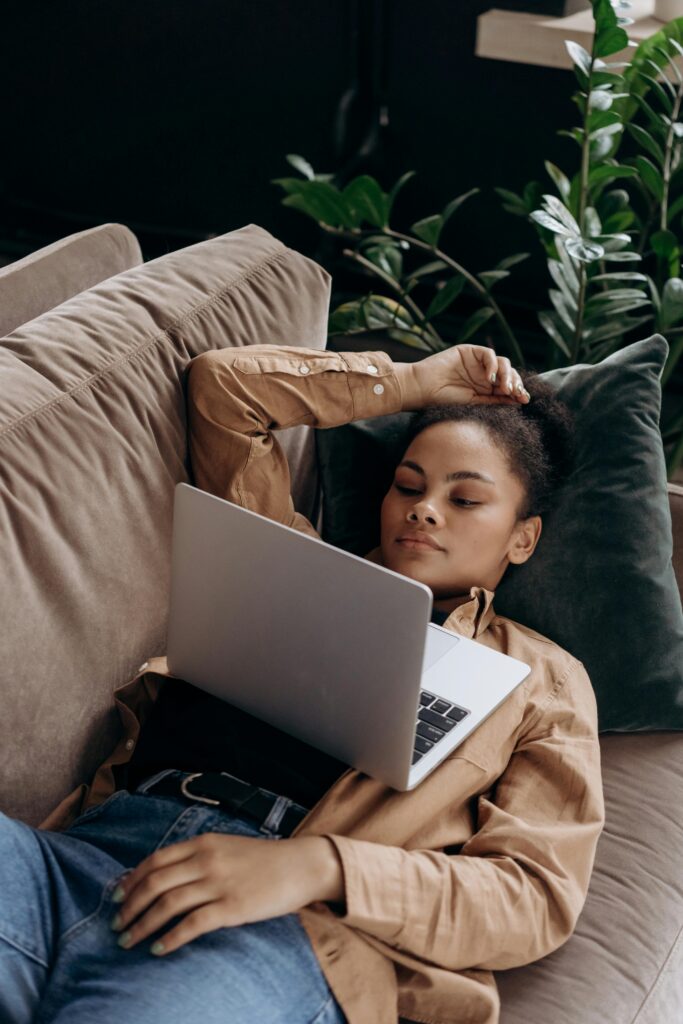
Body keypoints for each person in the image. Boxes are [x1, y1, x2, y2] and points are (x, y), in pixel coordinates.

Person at [0, 343, 605, 1024]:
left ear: (521, 540)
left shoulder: (542, 681)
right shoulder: (286, 559)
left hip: (272, 930)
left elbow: (532, 896)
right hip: (78, 860)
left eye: (464, 498)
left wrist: (319, 867)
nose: (424, 509)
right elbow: (225, 392)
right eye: (407, 485)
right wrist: (408, 382)